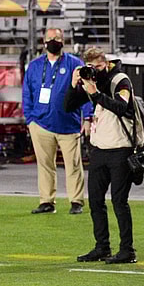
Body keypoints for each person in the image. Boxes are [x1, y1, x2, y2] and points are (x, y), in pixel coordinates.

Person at [64, 47, 144, 264]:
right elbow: (68, 106)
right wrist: (74, 85)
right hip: (99, 149)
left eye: (98, 67)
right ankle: (102, 247)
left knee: (119, 202)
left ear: (106, 62)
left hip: (120, 149)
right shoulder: (92, 81)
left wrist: (95, 94)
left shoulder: (120, 79)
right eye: (91, 68)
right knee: (96, 201)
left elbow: (121, 107)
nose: (95, 72)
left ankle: (127, 250)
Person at [22, 28, 93, 215]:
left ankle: (76, 200)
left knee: (73, 165)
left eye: (58, 38)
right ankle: (47, 201)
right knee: (45, 165)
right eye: (51, 38)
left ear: (64, 41)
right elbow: (27, 93)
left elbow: (86, 91)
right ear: (43, 42)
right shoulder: (35, 66)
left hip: (68, 125)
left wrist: (87, 117)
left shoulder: (74, 64)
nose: (54, 41)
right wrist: (30, 119)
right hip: (41, 124)